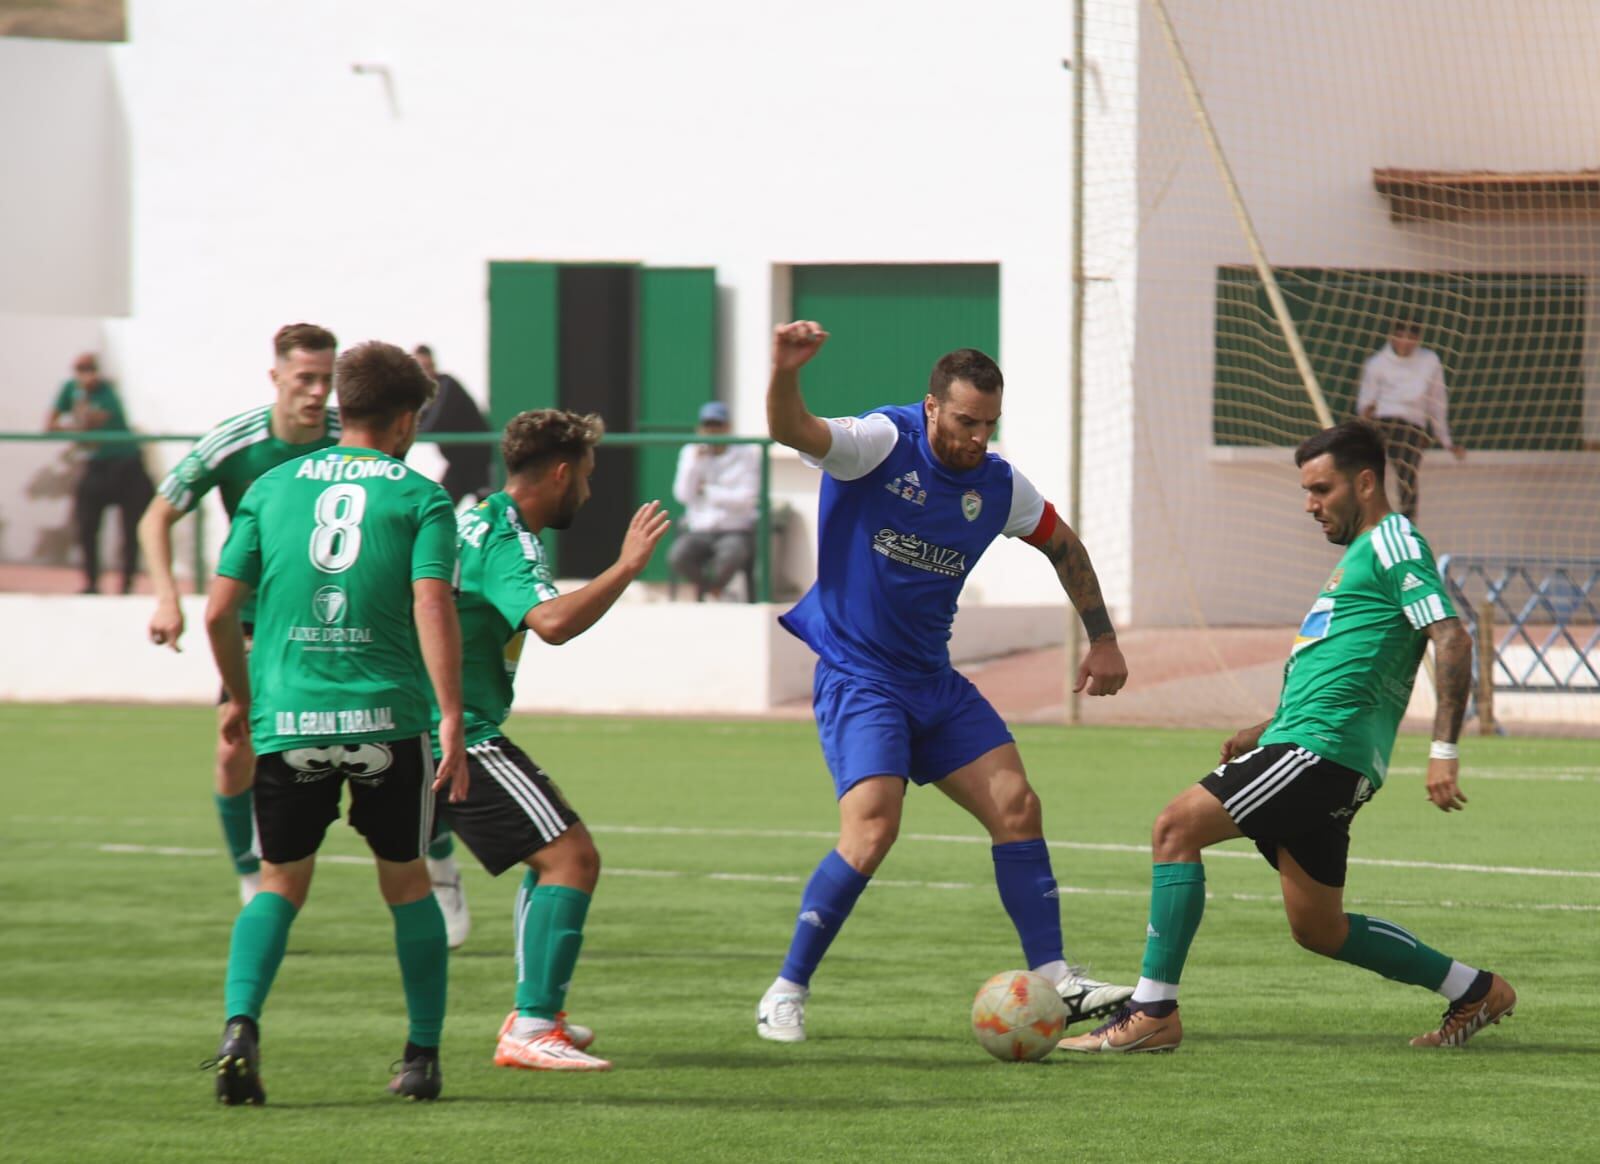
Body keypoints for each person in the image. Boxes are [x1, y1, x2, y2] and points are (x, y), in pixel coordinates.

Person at [1061, 420, 1514, 1056]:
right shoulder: (1360, 559)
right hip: (1309, 746)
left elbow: (1452, 636)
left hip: (1320, 752)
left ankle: (1152, 1012)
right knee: (1319, 928)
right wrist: (1262, 730)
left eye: (1321, 489)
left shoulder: (1393, 541)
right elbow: (1342, 668)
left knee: (1174, 828)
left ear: (1364, 482)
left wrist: (1444, 751)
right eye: (1305, 490)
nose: (1310, 505)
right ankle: (1475, 989)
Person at [756, 320, 1134, 1043]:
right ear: (932, 407)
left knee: (1018, 805)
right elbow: (789, 428)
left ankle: (1055, 978)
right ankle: (786, 989)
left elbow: (1062, 544)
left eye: (989, 424)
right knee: (872, 830)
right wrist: (783, 369)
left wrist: (1104, 638)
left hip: (932, 679)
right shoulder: (878, 444)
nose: (976, 437)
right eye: (965, 421)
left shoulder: (998, 484)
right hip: (860, 675)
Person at [203, 341, 468, 1104]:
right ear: (407, 419)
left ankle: (239, 1029)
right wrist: (451, 716)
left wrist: (243, 698)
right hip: (389, 719)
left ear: (342, 407)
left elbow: (220, 609)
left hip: (289, 718)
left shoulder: (273, 487)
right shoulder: (422, 497)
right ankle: (420, 1058)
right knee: (408, 883)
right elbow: (431, 603)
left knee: (279, 884)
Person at [437, 409, 670, 1072]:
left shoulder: (474, 519)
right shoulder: (507, 537)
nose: (590, 493)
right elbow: (554, 623)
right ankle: (532, 1026)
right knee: (573, 858)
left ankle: (534, 1012)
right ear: (562, 473)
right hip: (456, 733)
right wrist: (626, 568)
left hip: (428, 722)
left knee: (553, 856)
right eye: (588, 478)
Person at [44, 353, 154, 594]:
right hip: (97, 465)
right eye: (82, 370)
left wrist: (79, 424)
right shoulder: (70, 390)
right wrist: (76, 428)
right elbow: (51, 423)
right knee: (86, 525)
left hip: (127, 465)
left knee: (132, 527)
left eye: (90, 369)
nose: (87, 375)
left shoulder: (107, 391)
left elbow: (95, 420)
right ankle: (91, 582)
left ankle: (127, 583)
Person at [1356, 319, 1466, 522]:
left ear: (1418, 339)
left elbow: (1437, 401)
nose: (1405, 342)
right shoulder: (1377, 363)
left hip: (1412, 425)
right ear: (1392, 336)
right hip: (1383, 420)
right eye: (1400, 336)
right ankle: (1366, 517)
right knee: (1366, 465)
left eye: (1411, 337)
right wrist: (1367, 413)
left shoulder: (1430, 361)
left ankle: (1407, 522)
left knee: (1407, 469)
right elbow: (1365, 403)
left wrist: (1446, 441)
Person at [667, 401, 761, 601]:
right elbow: (682, 495)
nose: (712, 431)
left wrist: (708, 491)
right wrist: (693, 464)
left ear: (728, 427)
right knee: (678, 556)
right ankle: (715, 591)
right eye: (707, 426)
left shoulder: (746, 453)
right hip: (699, 529)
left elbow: (746, 499)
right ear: (700, 429)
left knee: (732, 554)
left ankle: (713, 591)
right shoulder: (690, 453)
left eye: (717, 425)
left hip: (734, 528)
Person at [414, 345, 492, 506]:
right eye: (420, 370)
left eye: (428, 367)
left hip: (478, 459)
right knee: (440, 505)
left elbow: (433, 420)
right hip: (457, 463)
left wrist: (410, 432)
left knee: (487, 509)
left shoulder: (446, 385)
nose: (425, 374)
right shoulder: (420, 396)